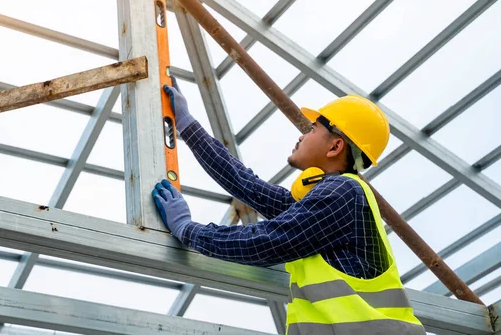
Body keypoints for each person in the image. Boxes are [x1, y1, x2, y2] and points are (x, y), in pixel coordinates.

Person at [152, 79, 425, 335]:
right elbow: (246, 184)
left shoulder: (342, 193)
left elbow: (265, 241)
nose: (302, 135)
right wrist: (187, 125)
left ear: (335, 146)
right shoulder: (328, 205)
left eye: (312, 129)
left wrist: (188, 230)